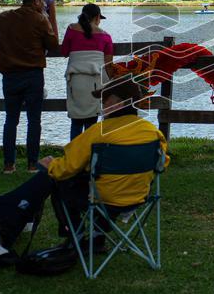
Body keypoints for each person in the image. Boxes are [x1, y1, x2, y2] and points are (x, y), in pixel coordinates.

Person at [39, 77, 169, 237]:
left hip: (103, 198)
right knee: (108, 180)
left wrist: (50, 165)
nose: (101, 107)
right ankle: (97, 235)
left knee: (60, 182)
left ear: (119, 104)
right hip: (138, 196)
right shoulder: (153, 133)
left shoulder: (98, 132)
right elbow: (161, 164)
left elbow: (67, 167)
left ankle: (75, 236)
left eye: (104, 102)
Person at [0, 0, 59, 174]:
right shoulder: (40, 19)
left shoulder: (4, 17)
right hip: (32, 74)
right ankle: (31, 164)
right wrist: (51, 15)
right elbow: (53, 44)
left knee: (11, 120)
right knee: (34, 120)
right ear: (36, 0)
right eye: (43, 1)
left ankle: (8, 164)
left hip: (10, 75)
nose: (44, 4)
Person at [61, 3, 115, 139]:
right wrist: (113, 83)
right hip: (95, 84)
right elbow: (108, 66)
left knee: (76, 122)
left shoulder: (71, 29)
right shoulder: (106, 36)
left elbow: (64, 52)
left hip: (75, 81)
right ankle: (90, 155)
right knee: (91, 123)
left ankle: (74, 155)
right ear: (97, 17)